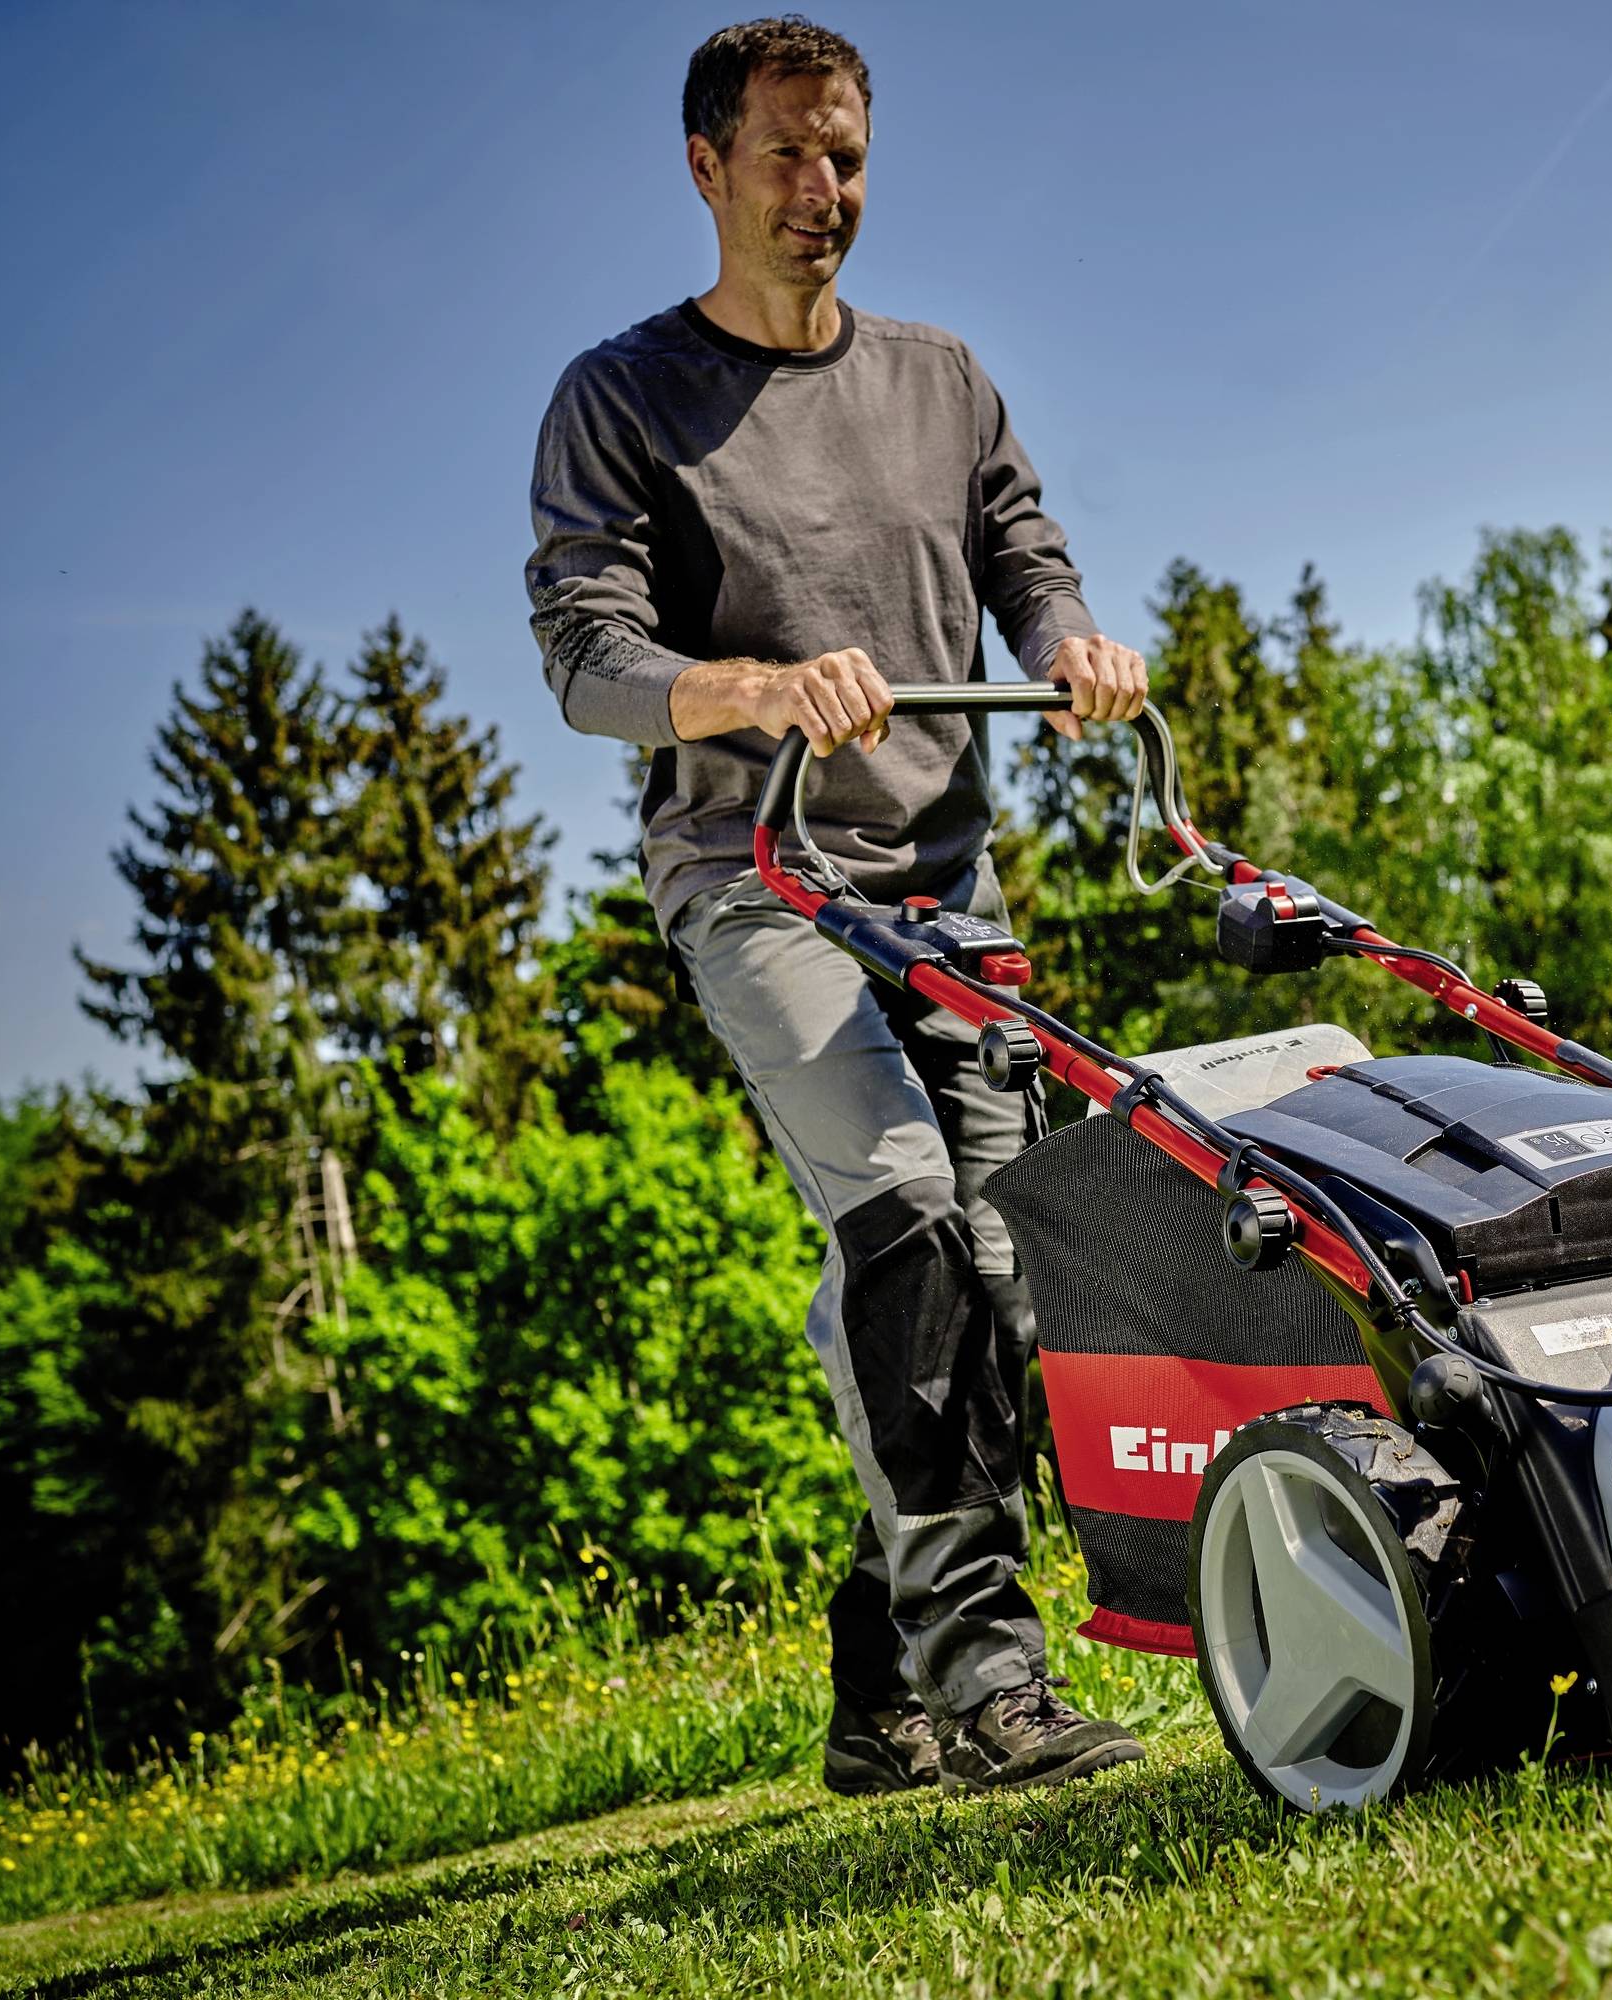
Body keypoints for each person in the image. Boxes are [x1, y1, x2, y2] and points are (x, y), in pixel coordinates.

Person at [524, 16, 1149, 1795]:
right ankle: (987, 1690)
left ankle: (875, 1686)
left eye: (849, 155)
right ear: (706, 165)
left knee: (1012, 1281)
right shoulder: (622, 395)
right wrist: (751, 686)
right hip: (760, 876)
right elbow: (587, 653)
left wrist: (1069, 647)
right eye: (789, 155)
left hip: (944, 876)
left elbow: (1022, 550)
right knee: (903, 1222)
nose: (825, 192)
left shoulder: (944, 377)